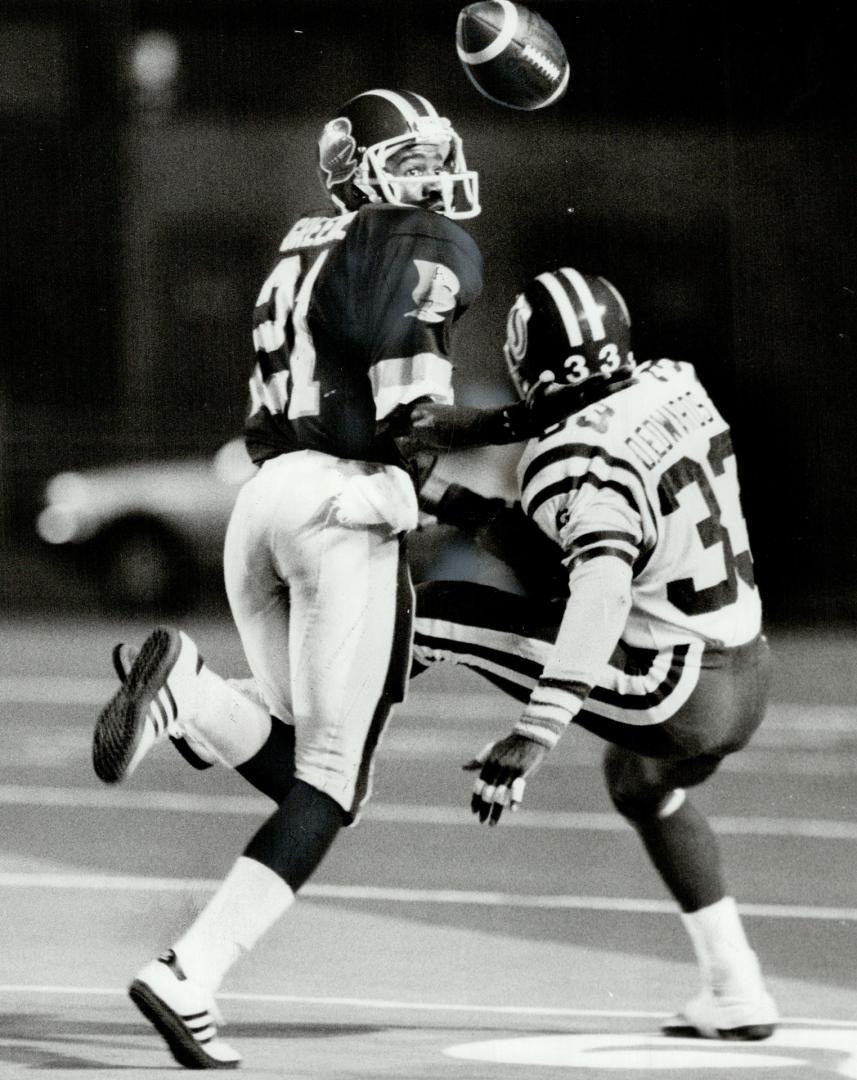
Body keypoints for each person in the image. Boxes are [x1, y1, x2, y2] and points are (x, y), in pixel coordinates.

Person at [91, 88, 491, 1070]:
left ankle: (184, 692)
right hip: (340, 506)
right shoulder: (409, 243)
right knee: (330, 784)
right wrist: (415, 485)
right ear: (360, 169)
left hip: (263, 498)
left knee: (291, 756)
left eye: (435, 156)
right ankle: (191, 972)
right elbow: (411, 408)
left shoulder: (302, 241)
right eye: (410, 159)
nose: (433, 176)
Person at [408, 266, 779, 1041]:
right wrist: (446, 489)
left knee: (435, 615)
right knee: (637, 783)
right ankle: (735, 987)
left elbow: (593, 591)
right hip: (748, 666)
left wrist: (534, 729)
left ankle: (264, 716)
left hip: (673, 686)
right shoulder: (677, 382)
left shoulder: (566, 463)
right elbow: (571, 543)